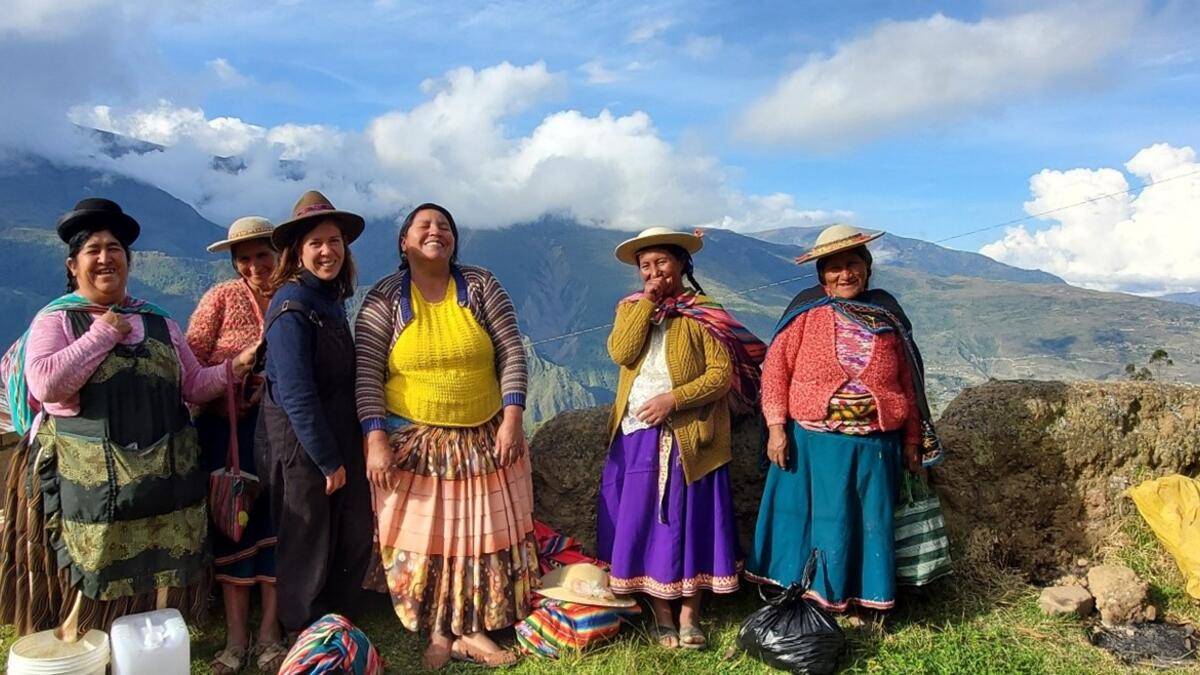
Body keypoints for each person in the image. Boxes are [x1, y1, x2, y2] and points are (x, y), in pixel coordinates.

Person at [0, 198, 255, 634]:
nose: (105, 258)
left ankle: (152, 643)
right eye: (94, 250)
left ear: (128, 259)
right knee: (92, 572)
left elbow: (191, 384)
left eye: (114, 248)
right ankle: (86, 640)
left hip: (162, 479)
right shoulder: (58, 321)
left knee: (158, 571)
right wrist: (102, 333)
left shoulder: (159, 322)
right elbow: (45, 384)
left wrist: (235, 368)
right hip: (87, 485)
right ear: (72, 265)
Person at [354, 203, 538, 670]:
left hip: (483, 435)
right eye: (424, 226)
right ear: (404, 241)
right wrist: (375, 439)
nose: (436, 232)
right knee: (429, 540)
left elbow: (511, 350)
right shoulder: (383, 301)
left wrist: (513, 416)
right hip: (414, 441)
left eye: (445, 226)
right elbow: (367, 375)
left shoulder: (479, 286)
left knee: (478, 536)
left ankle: (472, 630)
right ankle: (439, 631)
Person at [747, 223, 942, 617]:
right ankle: (809, 597)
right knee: (817, 524)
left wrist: (910, 441)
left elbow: (909, 381)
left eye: (853, 264)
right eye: (834, 267)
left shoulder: (887, 315)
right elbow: (775, 373)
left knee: (865, 526)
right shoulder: (804, 313)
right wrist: (776, 429)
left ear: (867, 268)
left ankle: (859, 598)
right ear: (822, 275)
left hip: (875, 447)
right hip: (814, 447)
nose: (845, 274)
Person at [598, 227, 766, 650]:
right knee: (647, 523)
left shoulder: (702, 313)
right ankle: (660, 615)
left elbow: (719, 374)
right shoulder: (631, 309)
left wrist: (674, 400)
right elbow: (622, 352)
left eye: (662, 263)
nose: (654, 272)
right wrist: (648, 305)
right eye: (645, 266)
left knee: (690, 523)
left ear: (682, 265)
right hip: (638, 434)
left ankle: (690, 615)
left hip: (693, 436)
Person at [260, 191, 374, 638]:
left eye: (335, 242)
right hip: (302, 442)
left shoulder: (329, 300)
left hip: (337, 430)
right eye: (316, 243)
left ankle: (339, 618)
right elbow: (295, 391)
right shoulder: (291, 306)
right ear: (298, 252)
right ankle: (303, 628)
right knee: (306, 532)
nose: (327, 251)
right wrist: (327, 459)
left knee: (352, 525)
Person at [187, 216, 286, 674]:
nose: (253, 266)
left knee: (275, 528)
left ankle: (269, 632)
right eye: (243, 259)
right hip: (227, 436)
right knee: (234, 527)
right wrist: (237, 371)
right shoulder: (220, 300)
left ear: (278, 253)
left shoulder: (291, 298)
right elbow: (189, 373)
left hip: (281, 433)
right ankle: (235, 636)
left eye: (261, 255)